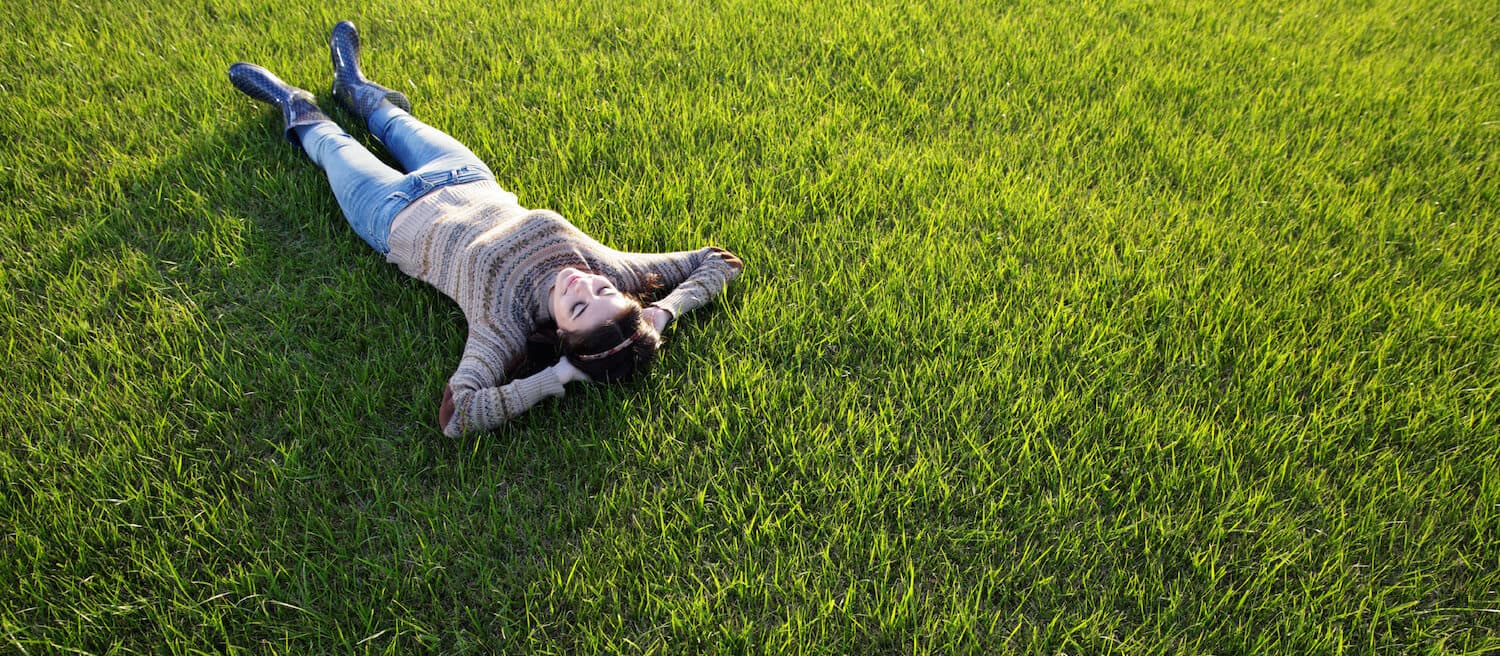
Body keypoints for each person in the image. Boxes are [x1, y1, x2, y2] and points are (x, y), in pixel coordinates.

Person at [228, 21, 743, 437]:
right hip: (464, 175)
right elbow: (722, 263)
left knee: (331, 145)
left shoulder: (505, 325)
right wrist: (665, 310)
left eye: (579, 305)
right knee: (389, 119)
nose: (581, 282)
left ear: (560, 332)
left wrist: (555, 378)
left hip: (389, 214)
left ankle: (292, 104)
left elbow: (457, 416)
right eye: (603, 290)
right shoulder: (606, 269)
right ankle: (352, 84)